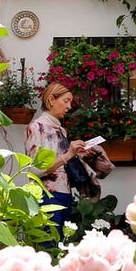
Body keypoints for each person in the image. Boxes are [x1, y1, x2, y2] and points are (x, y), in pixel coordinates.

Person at [26, 82, 87, 234]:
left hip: (65, 194)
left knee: (60, 246)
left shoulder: (61, 130)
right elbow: (34, 170)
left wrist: (77, 155)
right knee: (48, 246)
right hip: (45, 195)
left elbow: (62, 164)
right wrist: (68, 155)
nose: (69, 107)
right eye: (66, 101)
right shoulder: (36, 127)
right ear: (51, 99)